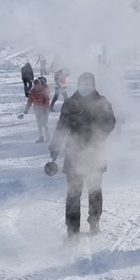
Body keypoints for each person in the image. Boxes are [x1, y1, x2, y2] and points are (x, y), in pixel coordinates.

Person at [49, 72, 116, 239]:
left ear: (93, 84)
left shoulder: (101, 101)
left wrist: (99, 135)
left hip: (95, 151)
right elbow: (62, 125)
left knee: (94, 190)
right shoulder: (70, 103)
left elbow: (111, 122)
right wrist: (55, 145)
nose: (84, 86)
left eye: (88, 83)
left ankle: (94, 222)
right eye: (82, 83)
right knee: (73, 193)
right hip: (74, 152)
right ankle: (72, 230)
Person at [24, 78, 51, 143]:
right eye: (35, 85)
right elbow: (30, 101)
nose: (37, 87)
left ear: (40, 85)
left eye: (38, 85)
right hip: (37, 109)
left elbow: (47, 99)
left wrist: (45, 107)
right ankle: (41, 137)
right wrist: (26, 110)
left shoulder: (43, 90)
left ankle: (48, 137)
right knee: (39, 124)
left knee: (44, 123)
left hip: (44, 109)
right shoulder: (32, 92)